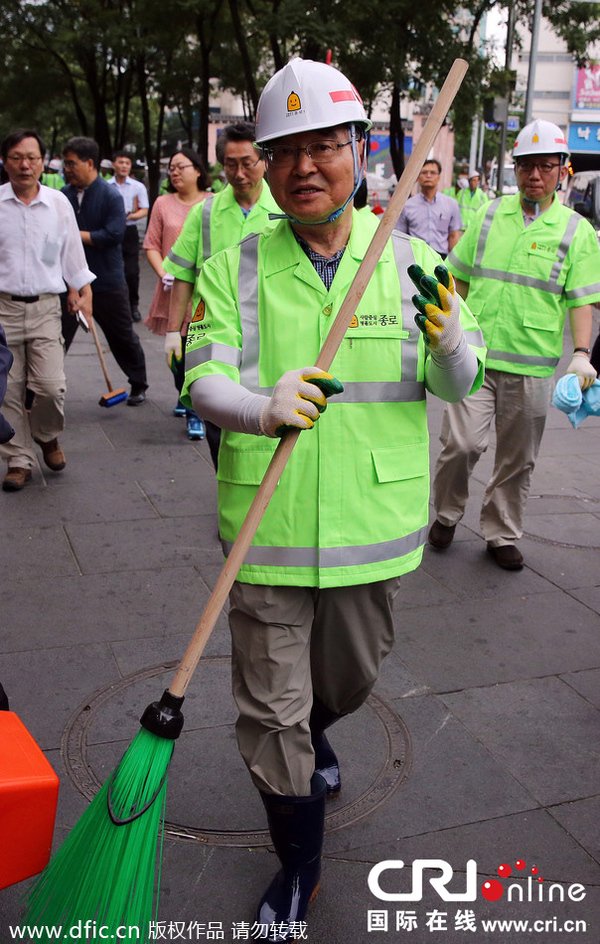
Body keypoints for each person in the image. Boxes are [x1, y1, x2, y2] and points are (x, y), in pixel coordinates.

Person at [181, 58, 485, 940]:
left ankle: (320, 732)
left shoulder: (413, 260)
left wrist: (453, 336)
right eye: (286, 152)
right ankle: (299, 867)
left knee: (338, 689)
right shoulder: (234, 261)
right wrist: (259, 404)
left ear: (358, 151)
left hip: (373, 532)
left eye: (325, 147)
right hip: (266, 535)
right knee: (273, 720)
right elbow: (201, 376)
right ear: (265, 166)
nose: (305, 166)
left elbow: (453, 382)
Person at [429, 119, 600, 571]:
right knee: (460, 445)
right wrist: (442, 328)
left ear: (562, 171)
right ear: (517, 167)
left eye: (546, 166)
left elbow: (581, 300)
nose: (535, 175)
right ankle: (446, 513)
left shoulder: (575, 231)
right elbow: (458, 277)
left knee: (517, 458)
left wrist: (581, 354)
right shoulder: (488, 215)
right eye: (527, 165)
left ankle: (501, 531)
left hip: (533, 366)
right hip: (475, 356)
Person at [163, 121, 280, 469]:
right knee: (219, 418)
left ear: (264, 161)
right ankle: (232, 497)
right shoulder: (206, 212)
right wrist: (173, 331)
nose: (240, 172)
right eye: (231, 164)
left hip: (272, 329)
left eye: (248, 162)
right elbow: (183, 273)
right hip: (217, 331)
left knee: (272, 415)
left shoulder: (284, 208)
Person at [0, 129, 95, 491]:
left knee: (50, 386)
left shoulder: (58, 203)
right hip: (3, 310)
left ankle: (46, 434)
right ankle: (18, 459)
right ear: (5, 161)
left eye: (32, 158)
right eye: (16, 158)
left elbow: (73, 255)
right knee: (7, 389)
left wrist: (83, 291)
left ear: (43, 161)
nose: (25, 165)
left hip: (45, 309)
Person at [61, 137, 148, 405]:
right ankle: (38, 390)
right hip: (69, 282)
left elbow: (113, 234)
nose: (67, 169)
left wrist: (74, 236)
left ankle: (138, 383)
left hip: (106, 280)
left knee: (122, 336)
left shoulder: (109, 196)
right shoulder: (63, 196)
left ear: (89, 163)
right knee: (57, 337)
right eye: (65, 164)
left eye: (71, 164)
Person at [143, 147, 211, 439]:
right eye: (171, 167)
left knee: (196, 352)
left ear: (197, 170)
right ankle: (183, 393)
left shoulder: (213, 203)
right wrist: (164, 273)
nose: (175, 172)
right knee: (176, 356)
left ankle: (195, 412)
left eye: (181, 166)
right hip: (173, 289)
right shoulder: (162, 203)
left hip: (205, 293)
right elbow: (151, 245)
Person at [108, 152, 149, 322]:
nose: (124, 165)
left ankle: (133, 305)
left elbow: (144, 209)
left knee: (132, 272)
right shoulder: (106, 186)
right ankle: (116, 307)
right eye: (121, 162)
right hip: (111, 231)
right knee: (112, 270)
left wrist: (131, 216)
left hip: (129, 231)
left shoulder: (138, 187)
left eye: (127, 163)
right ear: (114, 165)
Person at [395, 158, 462, 257]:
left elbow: (453, 236)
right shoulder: (407, 206)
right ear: (418, 177)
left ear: (439, 177)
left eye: (433, 172)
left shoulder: (451, 204)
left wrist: (453, 265)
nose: (428, 176)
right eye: (424, 172)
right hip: (416, 258)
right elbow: (400, 237)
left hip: (441, 258)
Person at [455, 167, 487, 231]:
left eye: (475, 180)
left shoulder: (483, 196)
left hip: (473, 229)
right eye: (471, 180)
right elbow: (455, 208)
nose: (473, 183)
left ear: (478, 182)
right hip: (461, 227)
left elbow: (485, 213)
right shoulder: (461, 193)